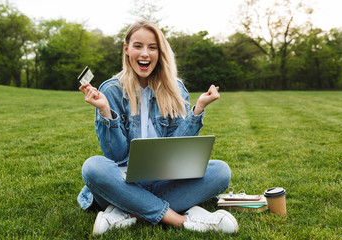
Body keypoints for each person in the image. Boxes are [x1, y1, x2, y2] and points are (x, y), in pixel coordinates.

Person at [78, 19, 238, 235]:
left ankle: (127, 211)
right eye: (138, 46)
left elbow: (177, 149)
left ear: (160, 52)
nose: (145, 53)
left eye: (152, 47)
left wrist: (198, 109)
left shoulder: (176, 89)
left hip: (165, 180)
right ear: (126, 50)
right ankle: (182, 219)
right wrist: (106, 111)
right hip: (124, 180)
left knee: (221, 171)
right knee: (93, 167)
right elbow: (115, 155)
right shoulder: (111, 90)